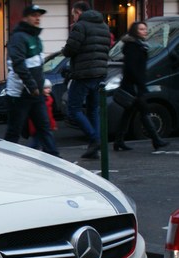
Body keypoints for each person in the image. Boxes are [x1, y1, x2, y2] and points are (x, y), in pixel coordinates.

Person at [3, 4, 59, 157]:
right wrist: (33, 86)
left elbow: (38, 67)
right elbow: (18, 64)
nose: (37, 18)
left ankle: (54, 157)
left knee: (43, 127)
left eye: (39, 15)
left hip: (35, 93)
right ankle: (6, 159)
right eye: (34, 15)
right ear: (25, 17)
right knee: (14, 131)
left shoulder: (35, 37)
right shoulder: (19, 38)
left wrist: (40, 86)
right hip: (20, 94)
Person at [61, 1, 111, 160]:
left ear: (79, 12)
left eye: (74, 14)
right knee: (93, 110)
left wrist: (64, 51)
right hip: (100, 74)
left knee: (73, 109)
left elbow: (70, 49)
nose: (73, 17)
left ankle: (94, 138)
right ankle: (94, 147)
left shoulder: (80, 26)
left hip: (83, 74)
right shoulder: (104, 26)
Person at [113, 21, 170, 152]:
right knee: (144, 110)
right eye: (142, 29)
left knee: (128, 113)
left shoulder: (139, 45)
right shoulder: (133, 46)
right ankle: (156, 140)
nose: (145, 31)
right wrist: (140, 85)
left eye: (145, 29)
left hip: (133, 85)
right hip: (133, 87)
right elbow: (132, 69)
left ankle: (119, 141)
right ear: (135, 31)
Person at [27, 79, 57, 147]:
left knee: (38, 142)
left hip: (42, 125)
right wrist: (52, 125)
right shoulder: (44, 100)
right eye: (46, 88)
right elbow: (48, 115)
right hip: (40, 125)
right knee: (38, 142)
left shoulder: (48, 98)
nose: (48, 90)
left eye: (49, 88)